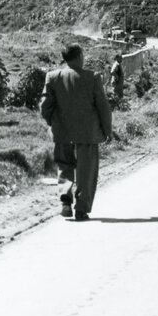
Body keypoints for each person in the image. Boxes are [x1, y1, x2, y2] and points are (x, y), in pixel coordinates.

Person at [40, 43, 113, 222]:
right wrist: (107, 130)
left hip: (62, 131)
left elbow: (45, 106)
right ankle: (81, 209)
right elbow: (103, 107)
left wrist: (53, 123)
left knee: (64, 165)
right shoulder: (93, 77)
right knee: (86, 171)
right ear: (80, 55)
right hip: (88, 133)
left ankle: (65, 199)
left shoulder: (52, 77)